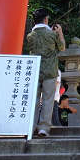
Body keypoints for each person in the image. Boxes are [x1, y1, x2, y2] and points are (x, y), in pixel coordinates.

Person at [23, 8, 65, 137]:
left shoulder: (30, 36)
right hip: (50, 71)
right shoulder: (52, 35)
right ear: (46, 19)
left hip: (34, 70)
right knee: (48, 100)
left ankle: (30, 126)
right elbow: (62, 47)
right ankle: (43, 128)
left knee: (33, 100)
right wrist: (60, 32)